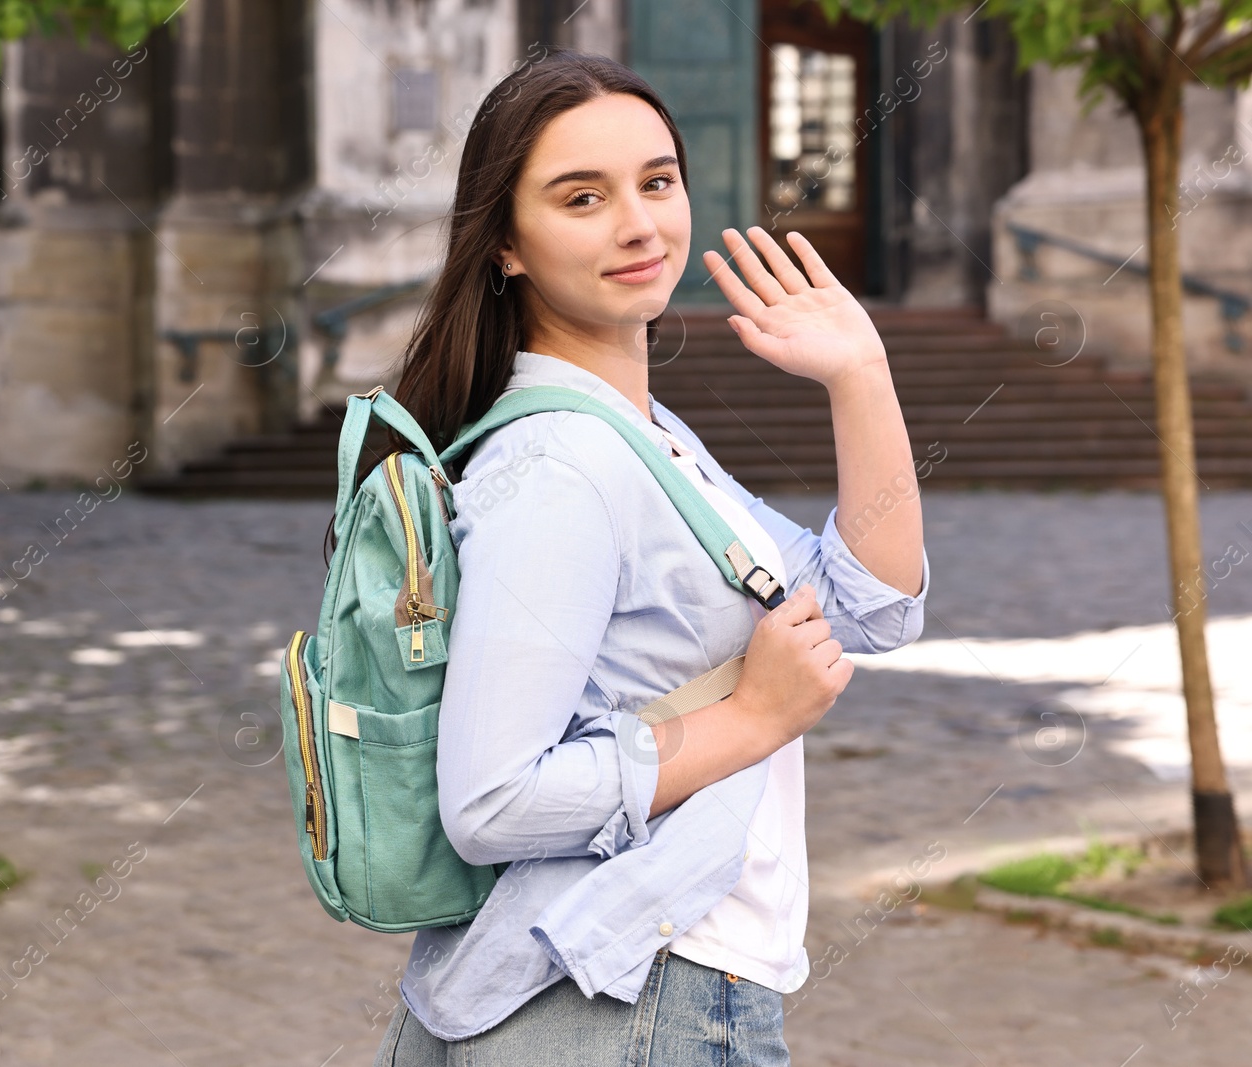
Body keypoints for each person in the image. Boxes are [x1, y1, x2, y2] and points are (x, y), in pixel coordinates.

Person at [366, 48, 929, 1067]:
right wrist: (750, 718)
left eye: (656, 182)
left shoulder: (644, 436)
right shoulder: (560, 463)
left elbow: (871, 607)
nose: (638, 223)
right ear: (505, 244)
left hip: (651, 988)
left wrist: (859, 372)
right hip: (628, 997)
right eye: (582, 197)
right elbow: (492, 799)